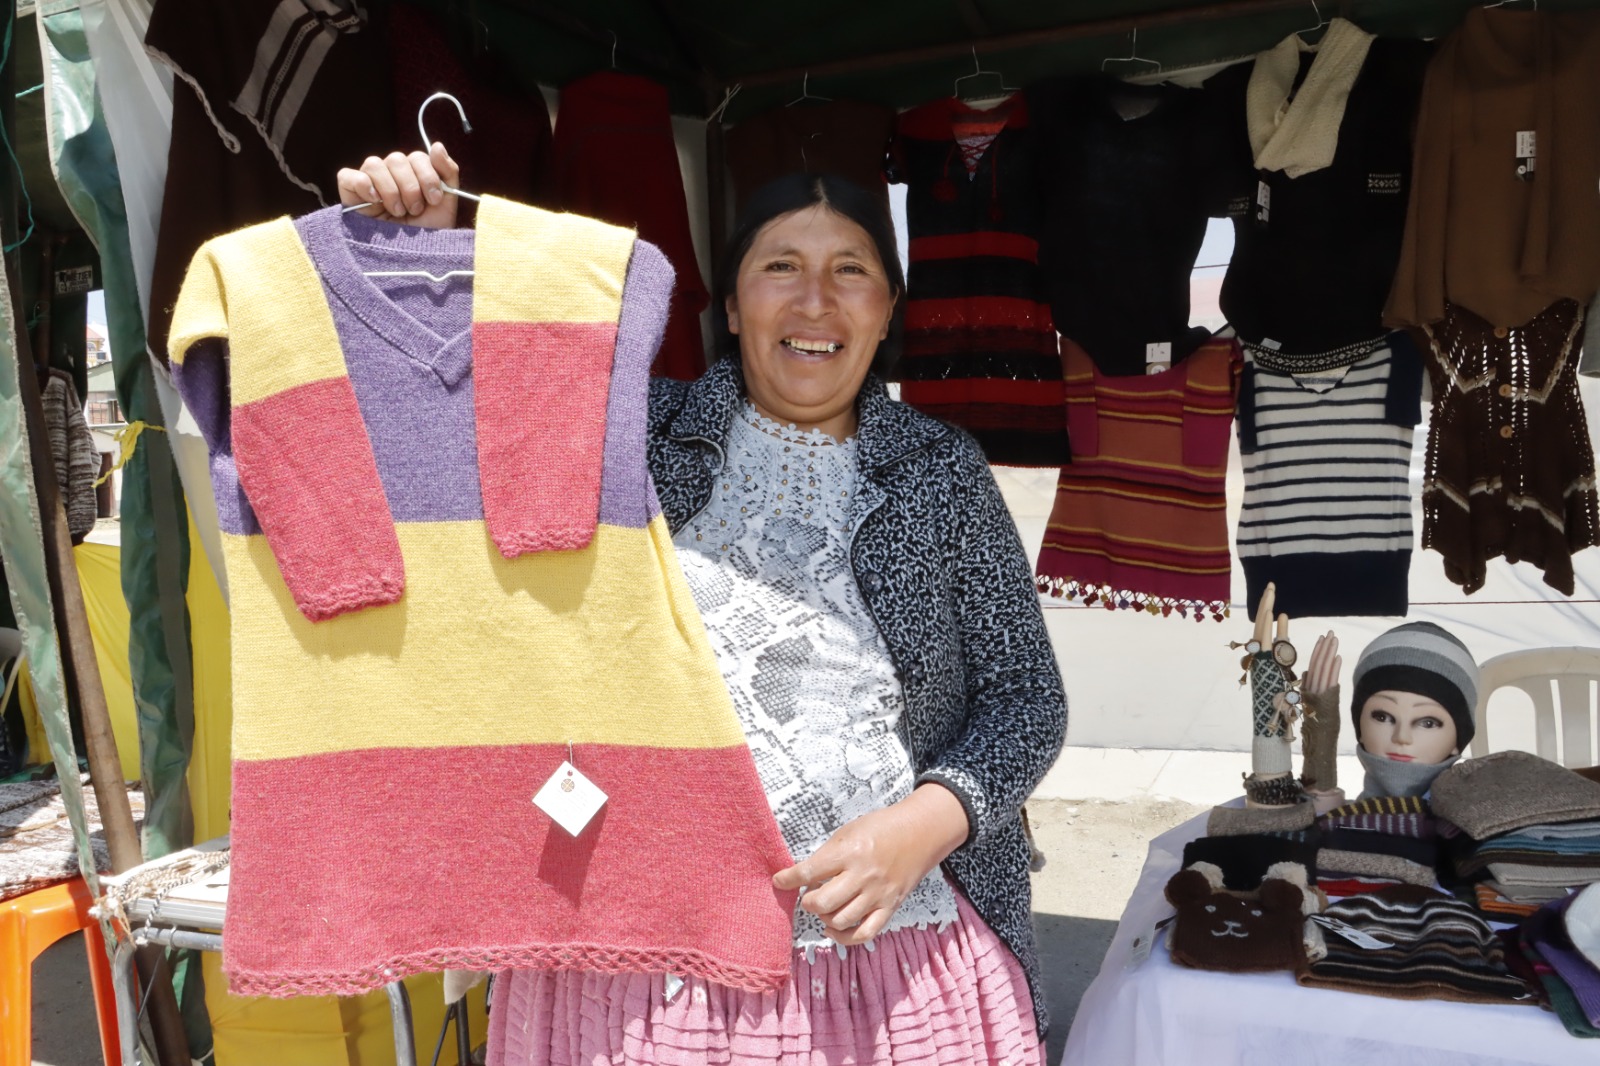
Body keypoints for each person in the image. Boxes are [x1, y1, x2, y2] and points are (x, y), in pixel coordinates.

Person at [337, 148, 1066, 1064]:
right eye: (780, 267)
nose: (815, 302)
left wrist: (927, 823)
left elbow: (1026, 699)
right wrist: (421, 256)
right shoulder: (627, 433)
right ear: (730, 304)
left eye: (851, 271)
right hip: (640, 956)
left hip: (895, 965)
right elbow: (433, 422)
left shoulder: (941, 472)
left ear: (887, 311)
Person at [1302, 621, 1479, 800]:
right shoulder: (1345, 819)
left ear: (1459, 738)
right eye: (1383, 717)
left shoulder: (1485, 819)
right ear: (1360, 726)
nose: (1401, 737)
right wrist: (1319, 755)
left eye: (1427, 723)